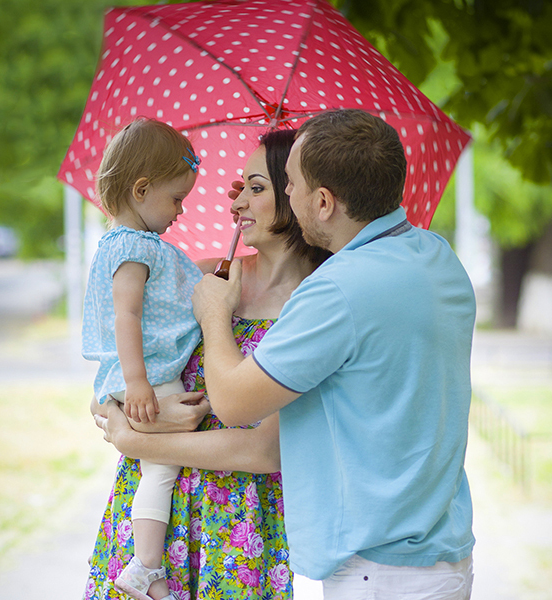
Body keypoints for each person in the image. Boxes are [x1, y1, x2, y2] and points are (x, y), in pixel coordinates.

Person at [190, 109, 477, 600]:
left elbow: (234, 403)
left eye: (290, 183)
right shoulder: (435, 255)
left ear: (323, 202)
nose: (288, 195)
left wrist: (214, 314)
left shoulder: (338, 292)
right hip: (440, 556)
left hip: (380, 574)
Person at [87, 128, 331, 600]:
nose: (236, 202)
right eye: (240, 188)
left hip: (234, 532)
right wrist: (129, 420)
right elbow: (108, 378)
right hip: (147, 523)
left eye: (255, 188)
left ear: (298, 196)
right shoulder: (204, 274)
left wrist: (135, 437)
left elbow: (263, 452)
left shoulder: (317, 306)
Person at [82, 117, 205, 600]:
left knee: (154, 464)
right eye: (176, 198)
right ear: (141, 189)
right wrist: (137, 383)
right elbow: (126, 317)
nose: (181, 210)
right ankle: (145, 568)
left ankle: (143, 563)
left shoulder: (137, 244)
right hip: (148, 374)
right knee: (162, 467)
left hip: (144, 373)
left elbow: (172, 289)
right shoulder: (133, 247)